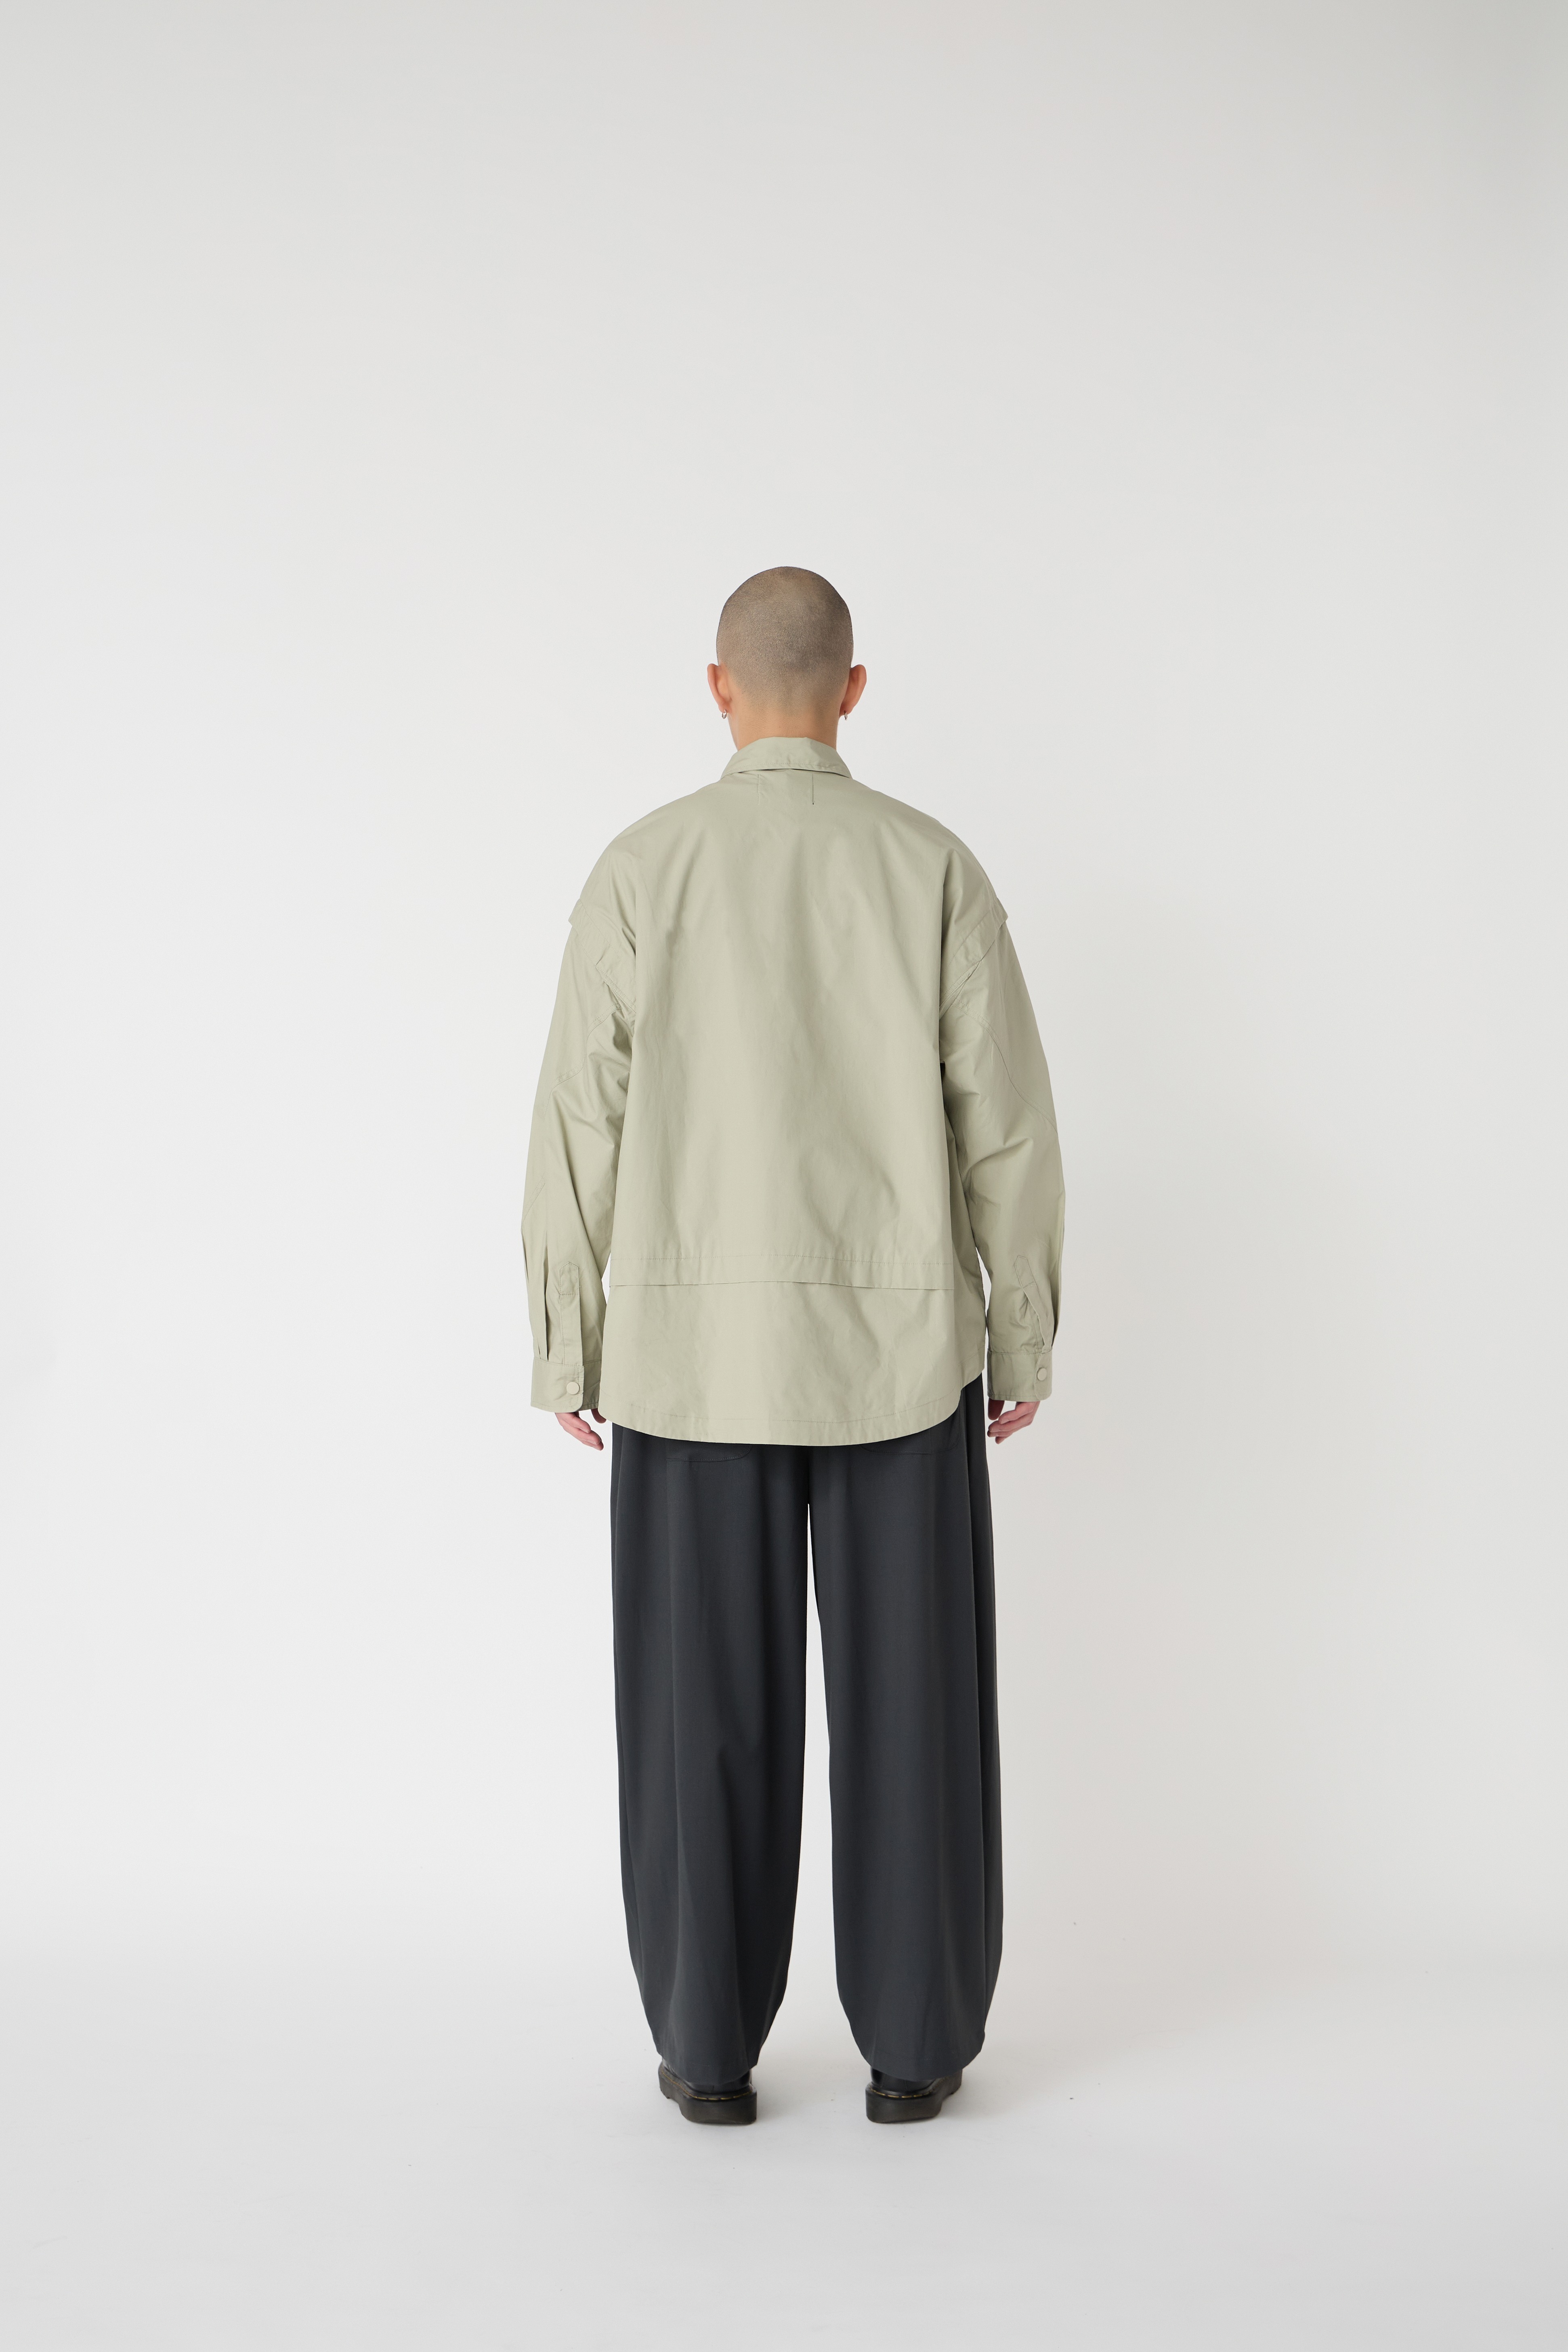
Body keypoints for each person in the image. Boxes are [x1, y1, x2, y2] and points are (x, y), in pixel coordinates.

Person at [522, 567, 1064, 2125]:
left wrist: (566, 1337)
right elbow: (1007, 1125)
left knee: (697, 1721)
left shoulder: (643, 870)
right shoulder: (930, 867)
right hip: (901, 1357)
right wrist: (1019, 1328)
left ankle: (706, 2054)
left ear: (717, 689)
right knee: (916, 1719)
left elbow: (576, 1117)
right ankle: (915, 2050)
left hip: (689, 1363)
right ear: (853, 690)